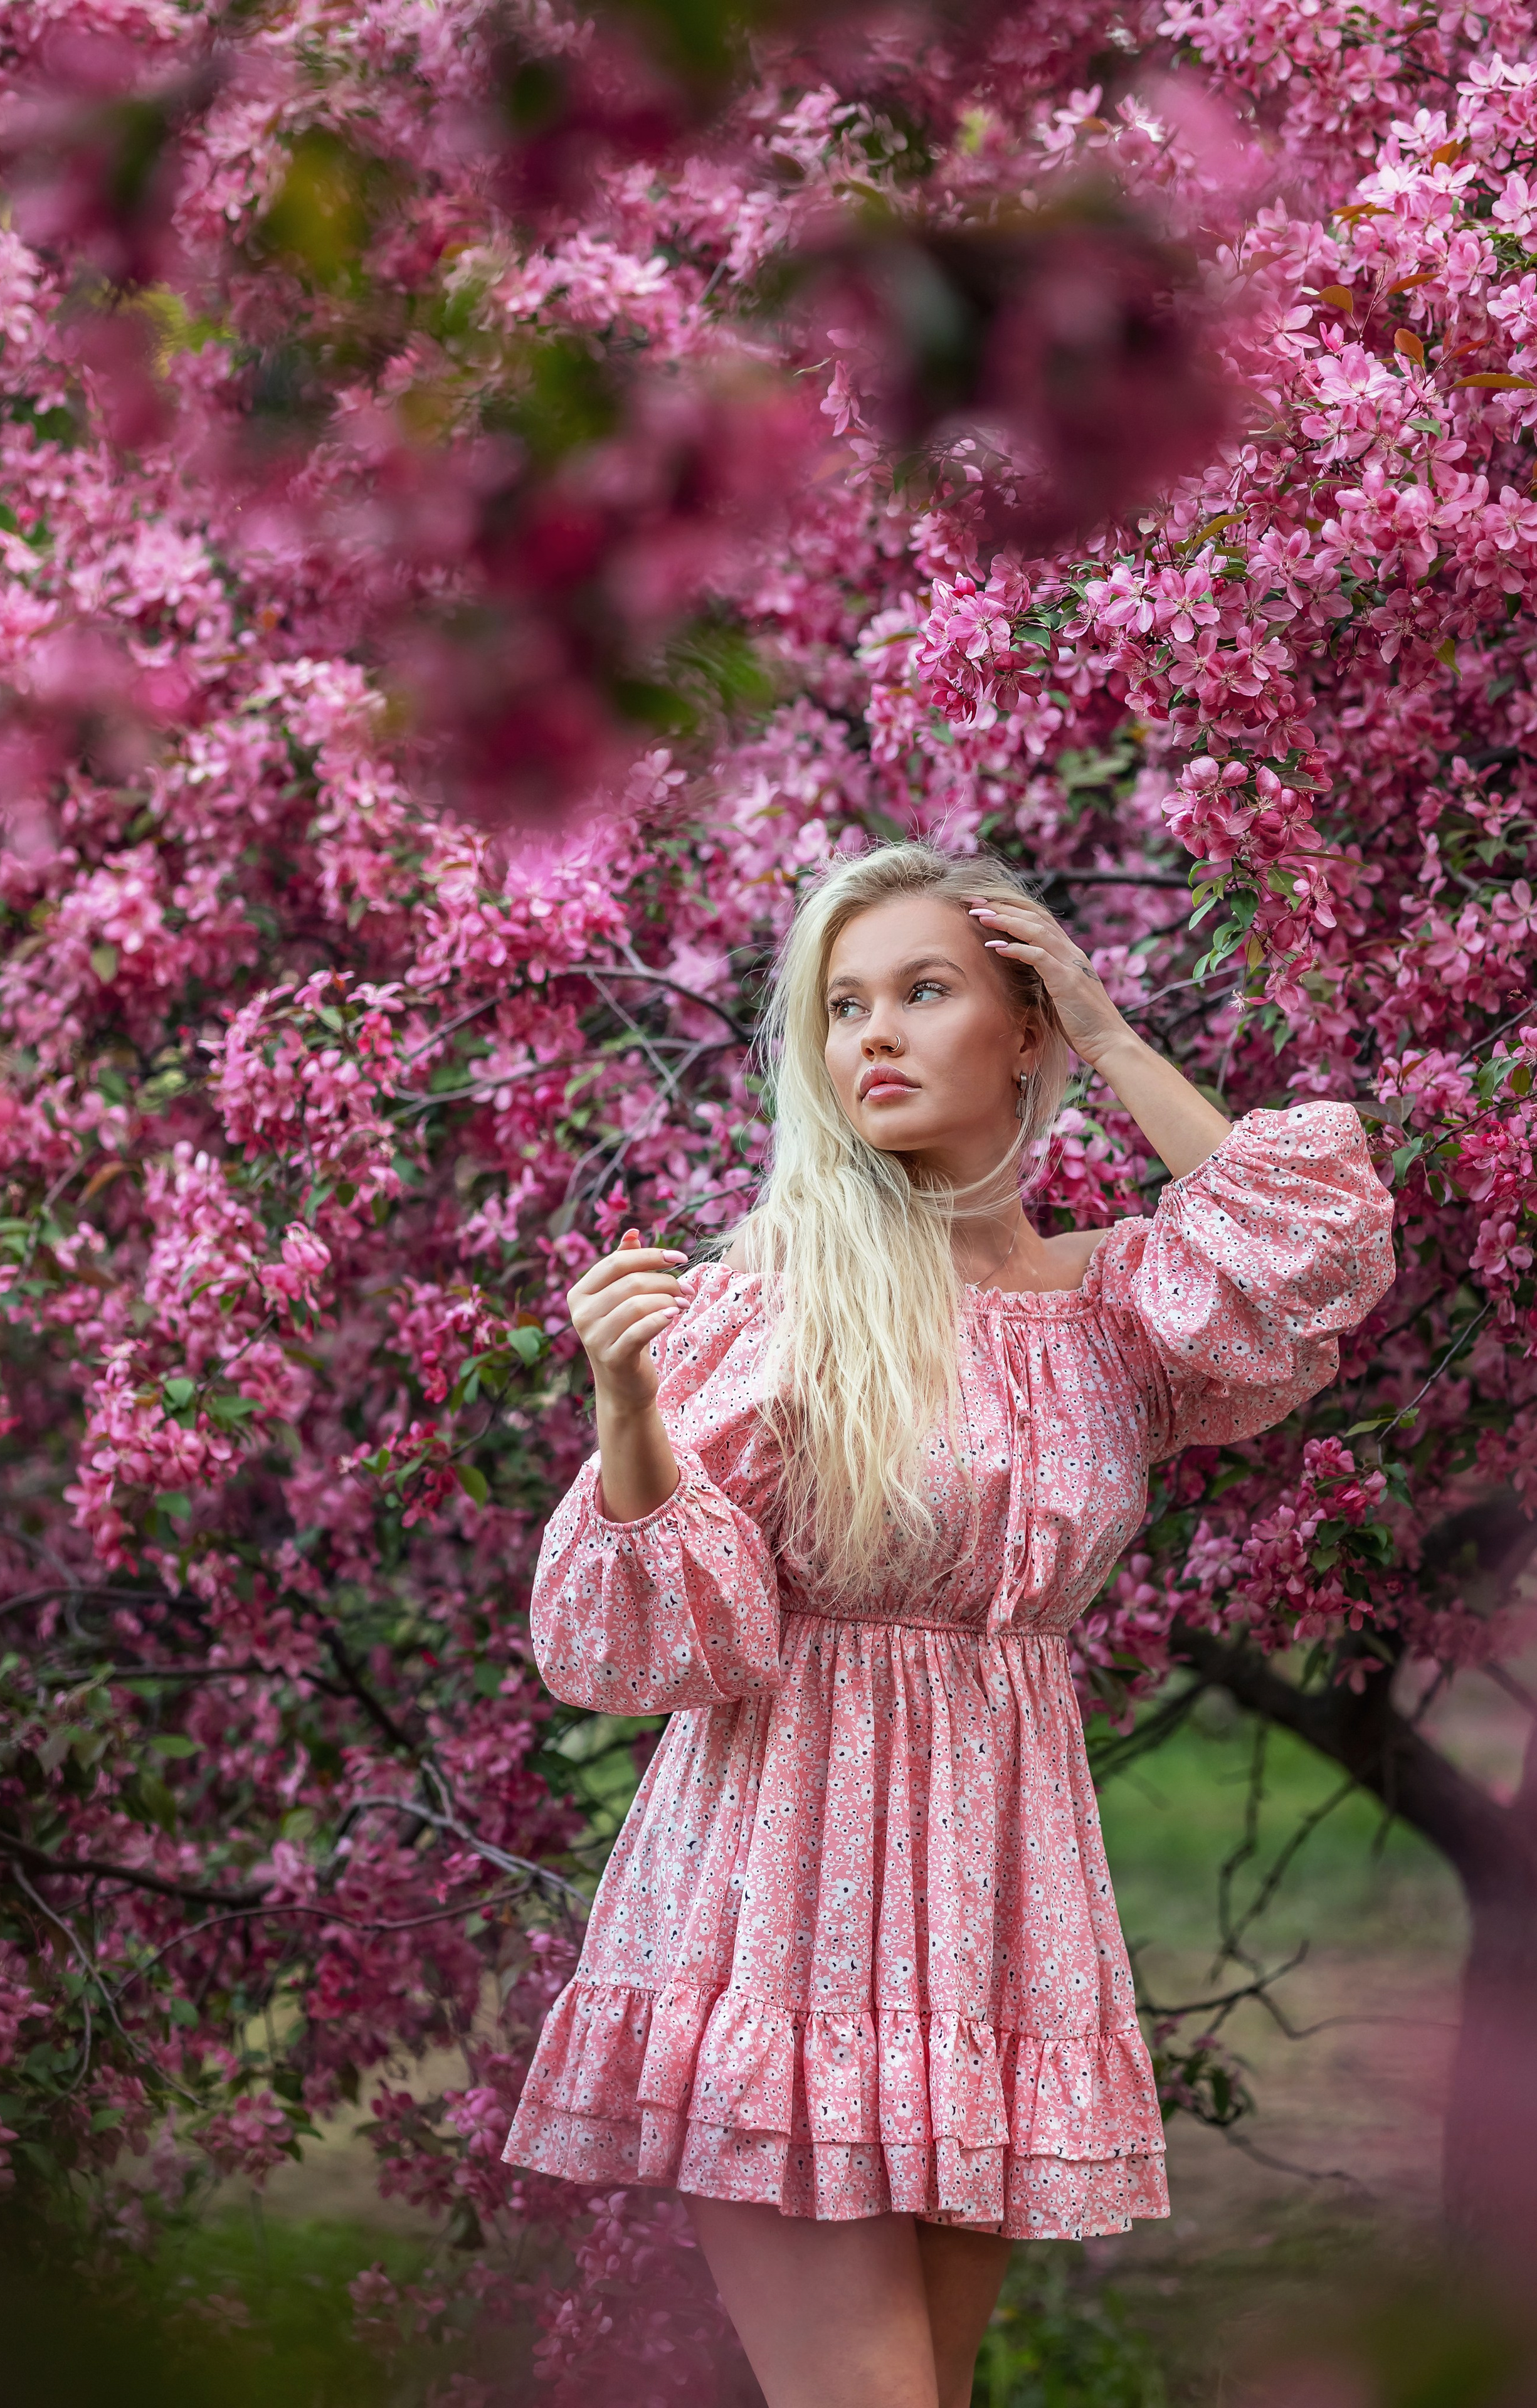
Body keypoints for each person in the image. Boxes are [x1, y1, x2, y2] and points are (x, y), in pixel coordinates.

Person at [502, 840, 1395, 2408]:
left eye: (924, 992)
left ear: (1021, 1026)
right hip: (783, 1891)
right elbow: (660, 1641)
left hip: (994, 1907)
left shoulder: (1110, 1306)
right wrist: (623, 1404)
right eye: (842, 1007)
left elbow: (1306, 1256)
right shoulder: (777, 1295)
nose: (875, 1038)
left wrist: (1110, 1034)